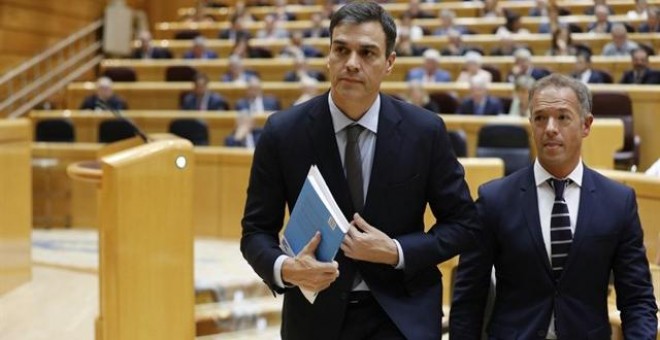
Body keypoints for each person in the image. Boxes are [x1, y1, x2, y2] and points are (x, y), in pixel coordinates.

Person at [240, 2, 481, 339]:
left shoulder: (425, 131)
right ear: (329, 55)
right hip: (315, 318)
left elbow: (464, 224)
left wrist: (397, 251)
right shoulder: (283, 132)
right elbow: (255, 232)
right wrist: (287, 269)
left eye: (367, 53)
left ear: (389, 63)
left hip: (403, 315)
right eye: (341, 50)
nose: (351, 64)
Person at [450, 73, 658, 339]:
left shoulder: (618, 201)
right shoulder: (495, 200)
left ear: (586, 125)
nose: (550, 127)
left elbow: (637, 299)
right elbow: (469, 299)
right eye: (540, 118)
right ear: (531, 124)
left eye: (562, 117)